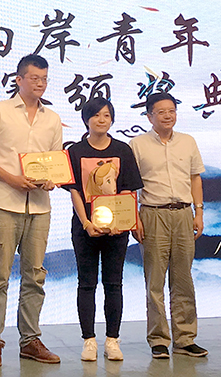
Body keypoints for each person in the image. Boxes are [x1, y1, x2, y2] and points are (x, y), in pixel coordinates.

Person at [0, 54, 62, 367]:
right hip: (3, 202)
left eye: (44, 79)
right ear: (19, 79)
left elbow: (55, 161)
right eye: (34, 78)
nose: (40, 84)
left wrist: (50, 180)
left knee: (35, 276)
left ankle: (30, 341)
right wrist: (12, 179)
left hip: (39, 207)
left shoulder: (52, 118)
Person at [129, 92, 208, 359]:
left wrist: (199, 212)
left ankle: (185, 339)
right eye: (161, 111)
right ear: (149, 116)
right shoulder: (137, 145)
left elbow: (195, 178)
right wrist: (134, 218)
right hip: (153, 214)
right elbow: (129, 186)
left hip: (184, 213)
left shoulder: (188, 142)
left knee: (183, 278)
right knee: (155, 280)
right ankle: (158, 339)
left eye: (171, 110)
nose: (167, 115)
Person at [64, 98, 143, 362]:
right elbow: (74, 191)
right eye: (96, 115)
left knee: (114, 283)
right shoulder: (75, 151)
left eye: (107, 115)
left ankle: (112, 340)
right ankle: (89, 341)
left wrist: (123, 221)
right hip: (85, 228)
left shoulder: (122, 150)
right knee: (86, 283)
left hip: (117, 230)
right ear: (86, 119)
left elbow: (128, 189)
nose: (101, 119)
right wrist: (86, 223)